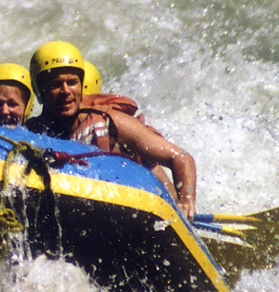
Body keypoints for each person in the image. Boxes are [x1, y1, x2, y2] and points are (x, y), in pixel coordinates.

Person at [25, 41, 198, 217]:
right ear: (40, 90)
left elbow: (180, 157)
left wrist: (186, 202)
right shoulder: (32, 131)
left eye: (72, 82)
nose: (66, 91)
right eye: (56, 85)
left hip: (140, 210)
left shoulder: (110, 122)